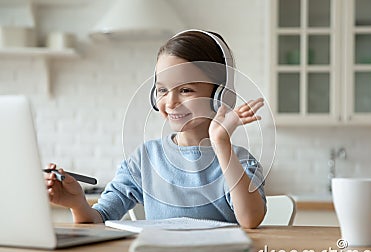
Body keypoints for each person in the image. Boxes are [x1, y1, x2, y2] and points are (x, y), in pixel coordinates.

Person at [45, 30, 266, 228]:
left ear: (221, 95)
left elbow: (250, 220)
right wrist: (77, 204)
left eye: (186, 90)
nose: (170, 102)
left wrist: (221, 142)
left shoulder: (240, 161)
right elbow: (99, 217)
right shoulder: (145, 159)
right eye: (162, 90)